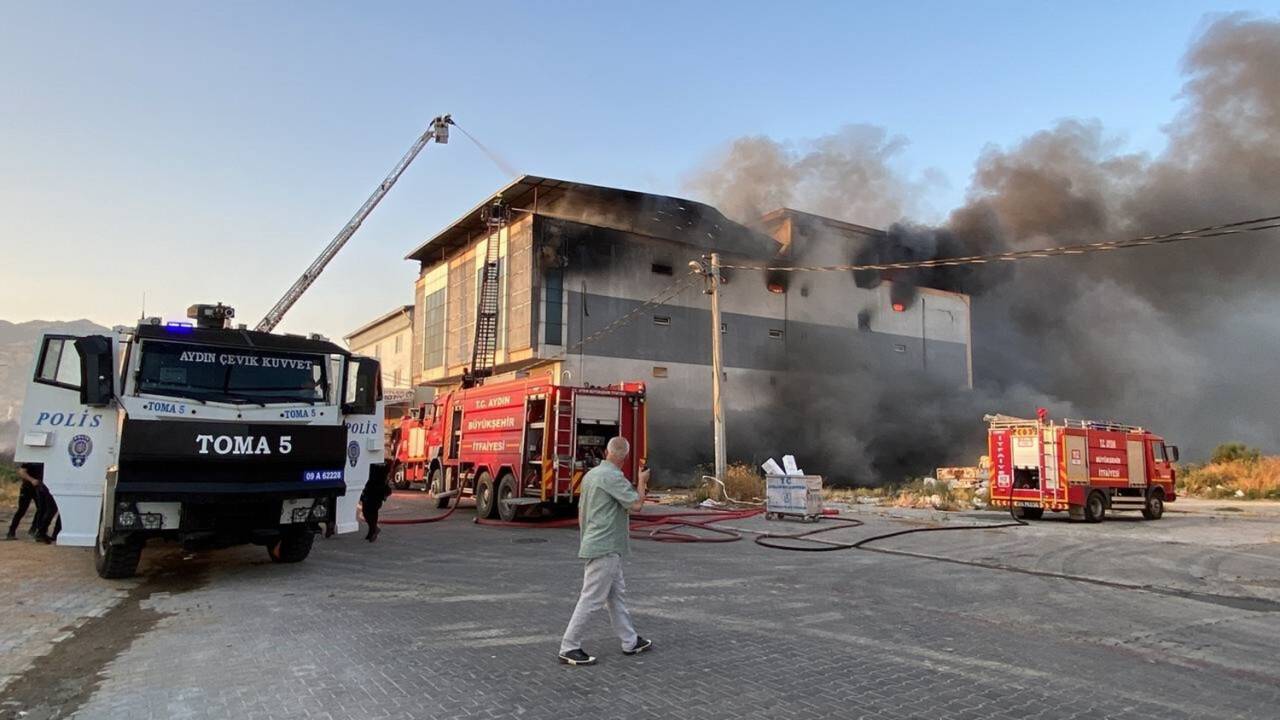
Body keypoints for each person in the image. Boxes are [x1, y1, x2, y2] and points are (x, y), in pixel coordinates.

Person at [558, 436, 652, 666]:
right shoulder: (612, 477)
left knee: (615, 595)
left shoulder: (591, 475)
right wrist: (642, 481)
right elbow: (636, 505)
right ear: (625, 457)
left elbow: (582, 513)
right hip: (605, 547)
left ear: (607, 451)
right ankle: (569, 646)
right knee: (591, 598)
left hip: (598, 543)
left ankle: (630, 641)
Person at [18, 463, 59, 544]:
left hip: (42, 485)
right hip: (46, 485)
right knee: (50, 509)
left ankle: (40, 531)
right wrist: (32, 480)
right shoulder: (33, 461)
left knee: (43, 509)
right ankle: (41, 532)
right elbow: (22, 471)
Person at [359, 463, 393, 542]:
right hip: (373, 485)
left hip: (376, 486)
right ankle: (372, 530)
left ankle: (373, 530)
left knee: (371, 510)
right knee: (369, 511)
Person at [6, 465, 40, 540]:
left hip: (38, 489)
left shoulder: (43, 460)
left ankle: (33, 529)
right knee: (21, 510)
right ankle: (11, 532)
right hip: (27, 488)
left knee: (41, 509)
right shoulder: (29, 460)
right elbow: (21, 472)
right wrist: (32, 480)